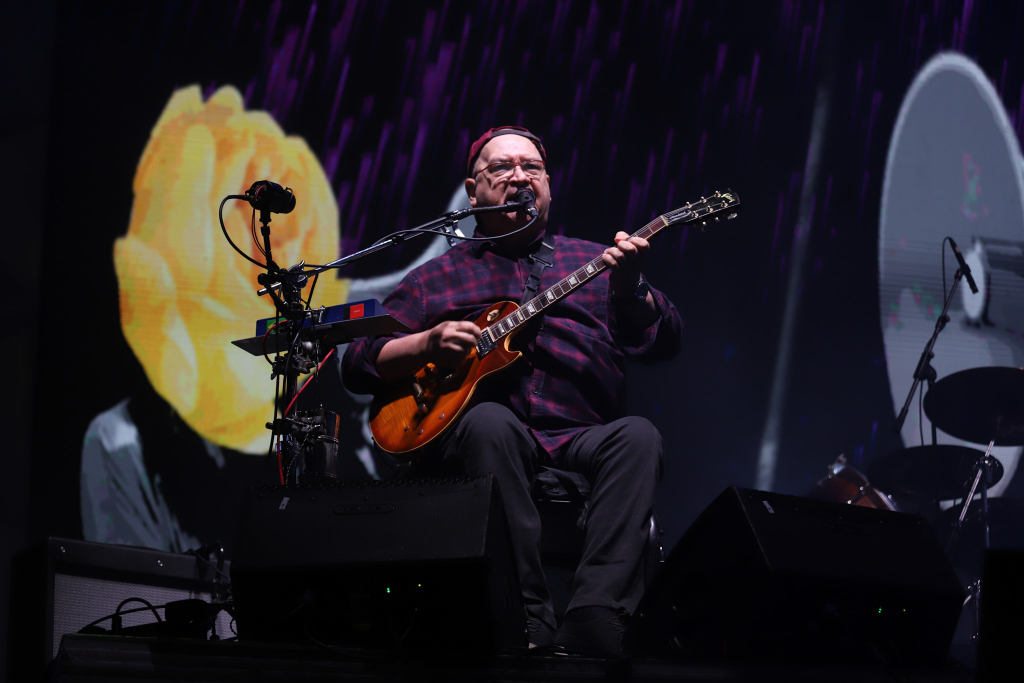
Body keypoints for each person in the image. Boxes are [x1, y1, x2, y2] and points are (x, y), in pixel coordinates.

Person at [342, 126, 682, 656]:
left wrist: (632, 289)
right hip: (489, 437)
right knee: (490, 423)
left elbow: (664, 340)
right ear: (472, 192)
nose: (520, 177)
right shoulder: (436, 278)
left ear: (548, 186)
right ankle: (521, 615)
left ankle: (597, 614)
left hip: (580, 436)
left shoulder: (597, 264)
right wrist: (426, 343)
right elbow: (358, 363)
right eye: (502, 168)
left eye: (533, 168)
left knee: (638, 436)